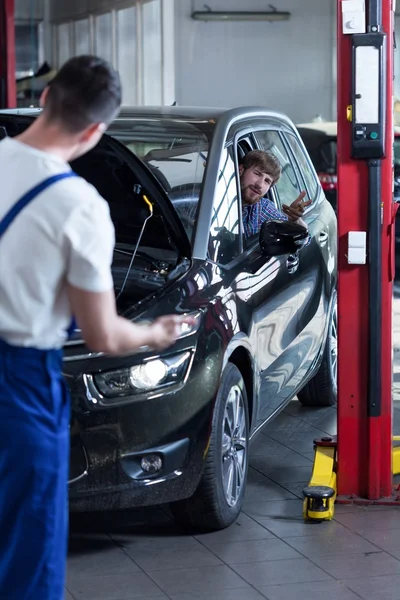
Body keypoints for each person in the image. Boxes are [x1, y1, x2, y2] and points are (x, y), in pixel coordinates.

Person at [0, 55, 193, 600]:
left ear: (42, 99)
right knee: (26, 558)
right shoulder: (79, 205)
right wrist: (155, 334)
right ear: (94, 131)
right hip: (21, 387)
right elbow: (104, 335)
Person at [239, 149, 312, 237]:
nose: (260, 185)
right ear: (241, 169)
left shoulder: (262, 208)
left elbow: (305, 238)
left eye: (267, 181)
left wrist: (295, 221)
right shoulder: (219, 190)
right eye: (257, 174)